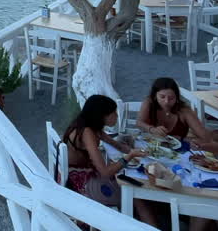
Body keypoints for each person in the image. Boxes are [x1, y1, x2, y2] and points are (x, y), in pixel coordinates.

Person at [61, 94, 156, 224]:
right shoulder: (88, 132)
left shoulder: (90, 125)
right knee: (135, 194)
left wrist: (135, 150)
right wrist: (130, 156)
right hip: (80, 182)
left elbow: (116, 145)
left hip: (79, 172)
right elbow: (105, 172)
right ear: (102, 116)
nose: (117, 116)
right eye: (114, 113)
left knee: (127, 180)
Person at [137, 77, 218, 151]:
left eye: (171, 98)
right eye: (162, 97)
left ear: (177, 97)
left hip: (177, 152)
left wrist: (183, 139)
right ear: (155, 96)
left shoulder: (184, 111)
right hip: (151, 147)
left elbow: (206, 138)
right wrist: (152, 129)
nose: (166, 101)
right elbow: (139, 122)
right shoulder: (149, 102)